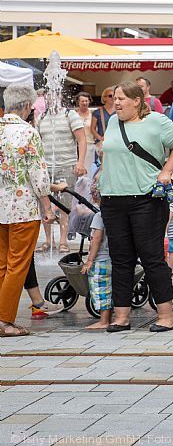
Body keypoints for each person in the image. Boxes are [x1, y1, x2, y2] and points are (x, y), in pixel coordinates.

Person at [99, 81, 173, 334]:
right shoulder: (113, 122)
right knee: (120, 259)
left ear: (137, 101)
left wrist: (167, 171)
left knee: (152, 258)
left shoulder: (156, 121)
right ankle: (121, 316)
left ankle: (166, 315)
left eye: (121, 98)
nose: (115, 102)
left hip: (146, 199)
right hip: (113, 199)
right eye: (114, 98)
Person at [0, 85, 56, 337]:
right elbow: (38, 175)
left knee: (2, 264)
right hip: (23, 209)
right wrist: (48, 207)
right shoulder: (28, 133)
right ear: (25, 106)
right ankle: (4, 321)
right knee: (17, 265)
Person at [36, 102, 87, 253]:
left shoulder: (70, 115)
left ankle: (63, 241)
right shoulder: (41, 117)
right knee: (44, 204)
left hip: (67, 165)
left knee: (65, 204)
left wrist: (80, 162)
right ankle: (48, 240)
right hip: (45, 166)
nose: (51, 99)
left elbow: (82, 140)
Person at [81, 209, 112, 331]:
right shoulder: (117, 212)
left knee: (100, 290)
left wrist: (90, 260)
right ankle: (109, 318)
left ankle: (104, 321)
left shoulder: (100, 216)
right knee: (110, 290)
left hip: (100, 259)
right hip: (113, 258)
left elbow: (97, 238)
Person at [73, 92, 98, 174]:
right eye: (82, 101)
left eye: (86, 101)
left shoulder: (93, 114)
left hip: (89, 145)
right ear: (78, 102)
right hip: (75, 146)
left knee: (87, 170)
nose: (84, 103)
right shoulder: (73, 115)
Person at [91, 87, 115, 163]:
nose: (113, 98)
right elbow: (92, 129)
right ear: (104, 98)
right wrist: (100, 138)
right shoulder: (98, 112)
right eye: (110, 96)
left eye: (114, 96)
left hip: (116, 142)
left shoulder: (119, 111)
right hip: (103, 143)